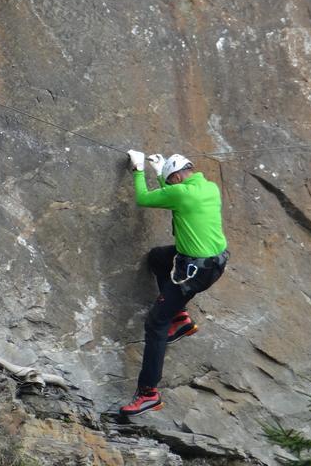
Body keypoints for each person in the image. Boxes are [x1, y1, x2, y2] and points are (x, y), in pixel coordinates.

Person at [117, 151, 229, 420]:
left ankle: (148, 394)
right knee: (158, 257)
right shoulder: (209, 187)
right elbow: (178, 195)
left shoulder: (181, 193)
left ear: (177, 177)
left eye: (171, 181)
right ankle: (180, 319)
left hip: (193, 271)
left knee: (156, 323)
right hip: (213, 263)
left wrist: (140, 170)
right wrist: (162, 174)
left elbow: (145, 198)